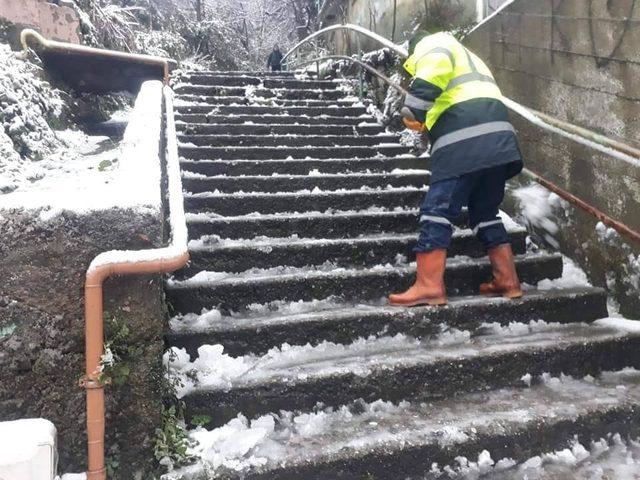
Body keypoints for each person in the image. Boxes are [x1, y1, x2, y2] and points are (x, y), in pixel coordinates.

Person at [388, 30, 524, 307]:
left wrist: (415, 108)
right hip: (498, 141)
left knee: (437, 211)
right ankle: (508, 280)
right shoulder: (469, 57)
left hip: (463, 140)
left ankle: (428, 285)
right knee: (485, 211)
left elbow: (435, 65)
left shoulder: (435, 44)